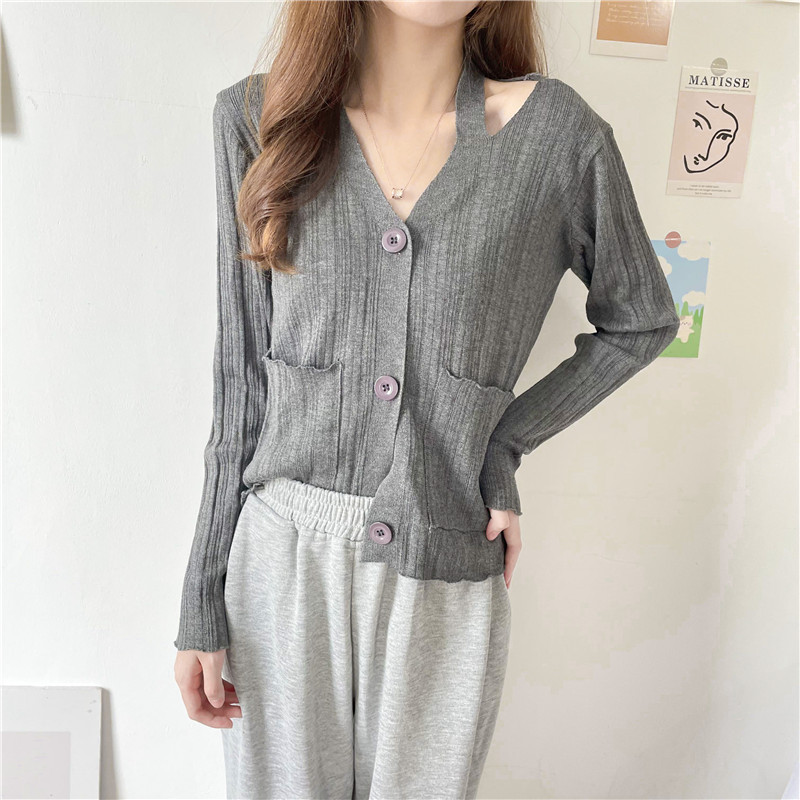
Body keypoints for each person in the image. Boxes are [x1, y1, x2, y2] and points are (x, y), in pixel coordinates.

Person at [173, 1, 681, 797]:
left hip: (442, 560)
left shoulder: (557, 138)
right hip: (279, 569)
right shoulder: (256, 119)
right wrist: (201, 596)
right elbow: (240, 380)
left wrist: (503, 442)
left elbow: (641, 318)